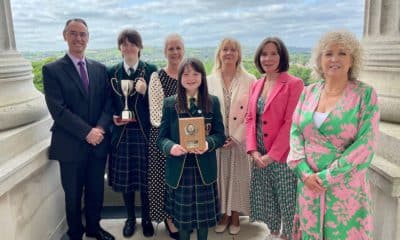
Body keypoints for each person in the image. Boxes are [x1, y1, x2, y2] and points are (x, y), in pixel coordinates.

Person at [287, 30, 379, 240]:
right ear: (320, 60)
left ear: (352, 60)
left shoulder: (365, 95)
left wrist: (327, 177)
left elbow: (366, 145)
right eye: (328, 53)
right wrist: (304, 172)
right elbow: (295, 132)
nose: (334, 59)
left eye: (342, 53)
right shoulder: (308, 92)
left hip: (344, 190)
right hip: (309, 186)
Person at [42, 18, 114, 240]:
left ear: (88, 38)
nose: (78, 38)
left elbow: (108, 103)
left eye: (83, 34)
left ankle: (94, 228)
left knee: (96, 191)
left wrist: (100, 129)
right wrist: (87, 132)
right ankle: (75, 233)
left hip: (98, 144)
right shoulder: (52, 70)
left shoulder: (100, 69)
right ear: (65, 36)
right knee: (72, 195)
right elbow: (58, 110)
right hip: (70, 145)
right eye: (73, 33)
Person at [157, 58, 226, 240]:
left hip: (203, 170)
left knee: (203, 220)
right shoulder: (170, 103)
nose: (191, 78)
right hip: (180, 171)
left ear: (202, 77)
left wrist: (207, 144)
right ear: (180, 78)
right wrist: (171, 147)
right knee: (182, 220)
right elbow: (161, 138)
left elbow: (220, 135)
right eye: (186, 74)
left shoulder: (213, 102)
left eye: (195, 73)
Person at [245, 37, 304, 240]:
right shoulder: (257, 83)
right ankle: (272, 233)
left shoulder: (294, 84)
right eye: (264, 54)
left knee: (287, 202)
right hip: (259, 154)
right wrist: (253, 150)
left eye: (273, 53)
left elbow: (291, 123)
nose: (268, 58)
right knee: (267, 200)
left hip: (282, 156)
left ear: (282, 56)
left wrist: (271, 155)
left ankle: (287, 236)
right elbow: (251, 118)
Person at [107, 28, 157, 238]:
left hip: (144, 134)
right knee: (126, 182)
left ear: (139, 47)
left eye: (132, 43)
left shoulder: (151, 70)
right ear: (120, 48)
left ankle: (146, 218)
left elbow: (157, 105)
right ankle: (130, 218)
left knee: (145, 181)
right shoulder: (112, 72)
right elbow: (107, 101)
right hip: (122, 134)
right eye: (124, 44)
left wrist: (146, 93)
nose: (128, 47)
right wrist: (112, 117)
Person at [207, 37, 256, 235]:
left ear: (239, 54)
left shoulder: (250, 79)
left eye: (233, 49)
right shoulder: (209, 80)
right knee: (221, 179)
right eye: (225, 49)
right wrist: (216, 136)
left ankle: (235, 215)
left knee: (238, 178)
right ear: (219, 53)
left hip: (239, 141)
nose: (228, 53)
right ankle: (223, 215)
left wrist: (236, 137)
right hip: (218, 141)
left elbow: (252, 113)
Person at [148, 33, 184, 239]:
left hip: (187, 139)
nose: (175, 52)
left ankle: (182, 215)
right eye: (171, 48)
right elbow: (155, 114)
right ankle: (170, 219)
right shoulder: (157, 77)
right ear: (165, 51)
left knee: (183, 180)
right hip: (164, 139)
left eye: (178, 48)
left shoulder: (189, 74)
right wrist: (176, 139)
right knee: (166, 180)